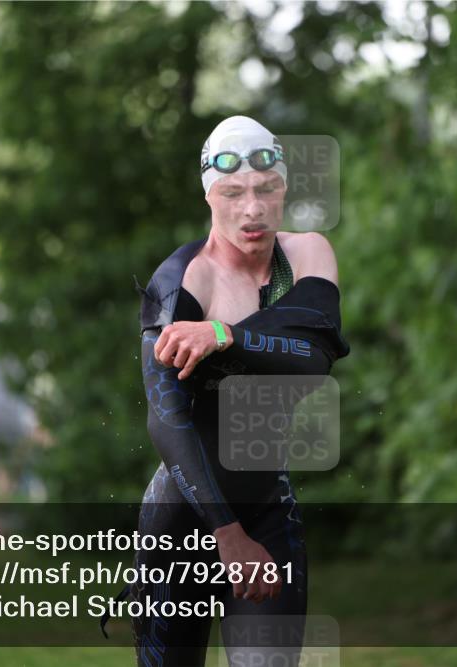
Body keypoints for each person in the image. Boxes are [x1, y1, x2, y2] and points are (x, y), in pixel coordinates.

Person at [121, 116, 350, 667]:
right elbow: (166, 420)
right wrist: (225, 532)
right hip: (185, 523)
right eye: (233, 194)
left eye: (266, 191)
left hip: (268, 507)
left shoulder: (308, 254)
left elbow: (314, 359)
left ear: (284, 189)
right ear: (209, 195)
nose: (252, 210)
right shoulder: (183, 283)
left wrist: (224, 335)